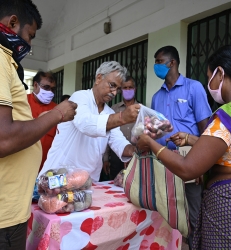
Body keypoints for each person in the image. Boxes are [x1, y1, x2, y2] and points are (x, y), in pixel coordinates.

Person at [136, 44, 231, 249]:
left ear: (220, 74)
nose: (209, 83)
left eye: (210, 77)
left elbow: (188, 168)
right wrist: (191, 140)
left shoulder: (229, 115)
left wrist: (151, 144)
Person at [0, 1, 77, 250]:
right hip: (5, 212)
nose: (30, 45)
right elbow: (4, 138)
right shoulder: (0, 59)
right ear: (12, 23)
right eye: (30, 35)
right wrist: (56, 114)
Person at [39, 61, 141, 183]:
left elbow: (118, 141)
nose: (114, 93)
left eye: (118, 89)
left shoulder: (109, 112)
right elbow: (86, 124)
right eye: (112, 85)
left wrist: (136, 150)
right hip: (59, 178)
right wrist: (122, 117)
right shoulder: (79, 97)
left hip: (88, 183)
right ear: (99, 78)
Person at [151, 45, 212, 249]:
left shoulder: (193, 88)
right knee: (167, 210)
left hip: (189, 157)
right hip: (163, 159)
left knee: (193, 211)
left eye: (159, 61)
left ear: (172, 63)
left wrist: (203, 163)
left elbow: (206, 128)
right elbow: (155, 130)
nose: (156, 66)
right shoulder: (156, 96)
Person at [102, 76, 139, 180]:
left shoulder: (141, 109)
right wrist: (105, 159)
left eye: (130, 88)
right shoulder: (113, 109)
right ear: (121, 90)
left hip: (135, 155)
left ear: (135, 89)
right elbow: (107, 133)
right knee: (115, 182)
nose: (128, 90)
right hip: (116, 156)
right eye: (125, 88)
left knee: (133, 183)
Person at [27, 71, 58, 172]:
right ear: (35, 85)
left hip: (46, 168)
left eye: (53, 89)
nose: (50, 92)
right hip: (23, 167)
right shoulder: (22, 103)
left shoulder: (56, 109)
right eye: (46, 87)